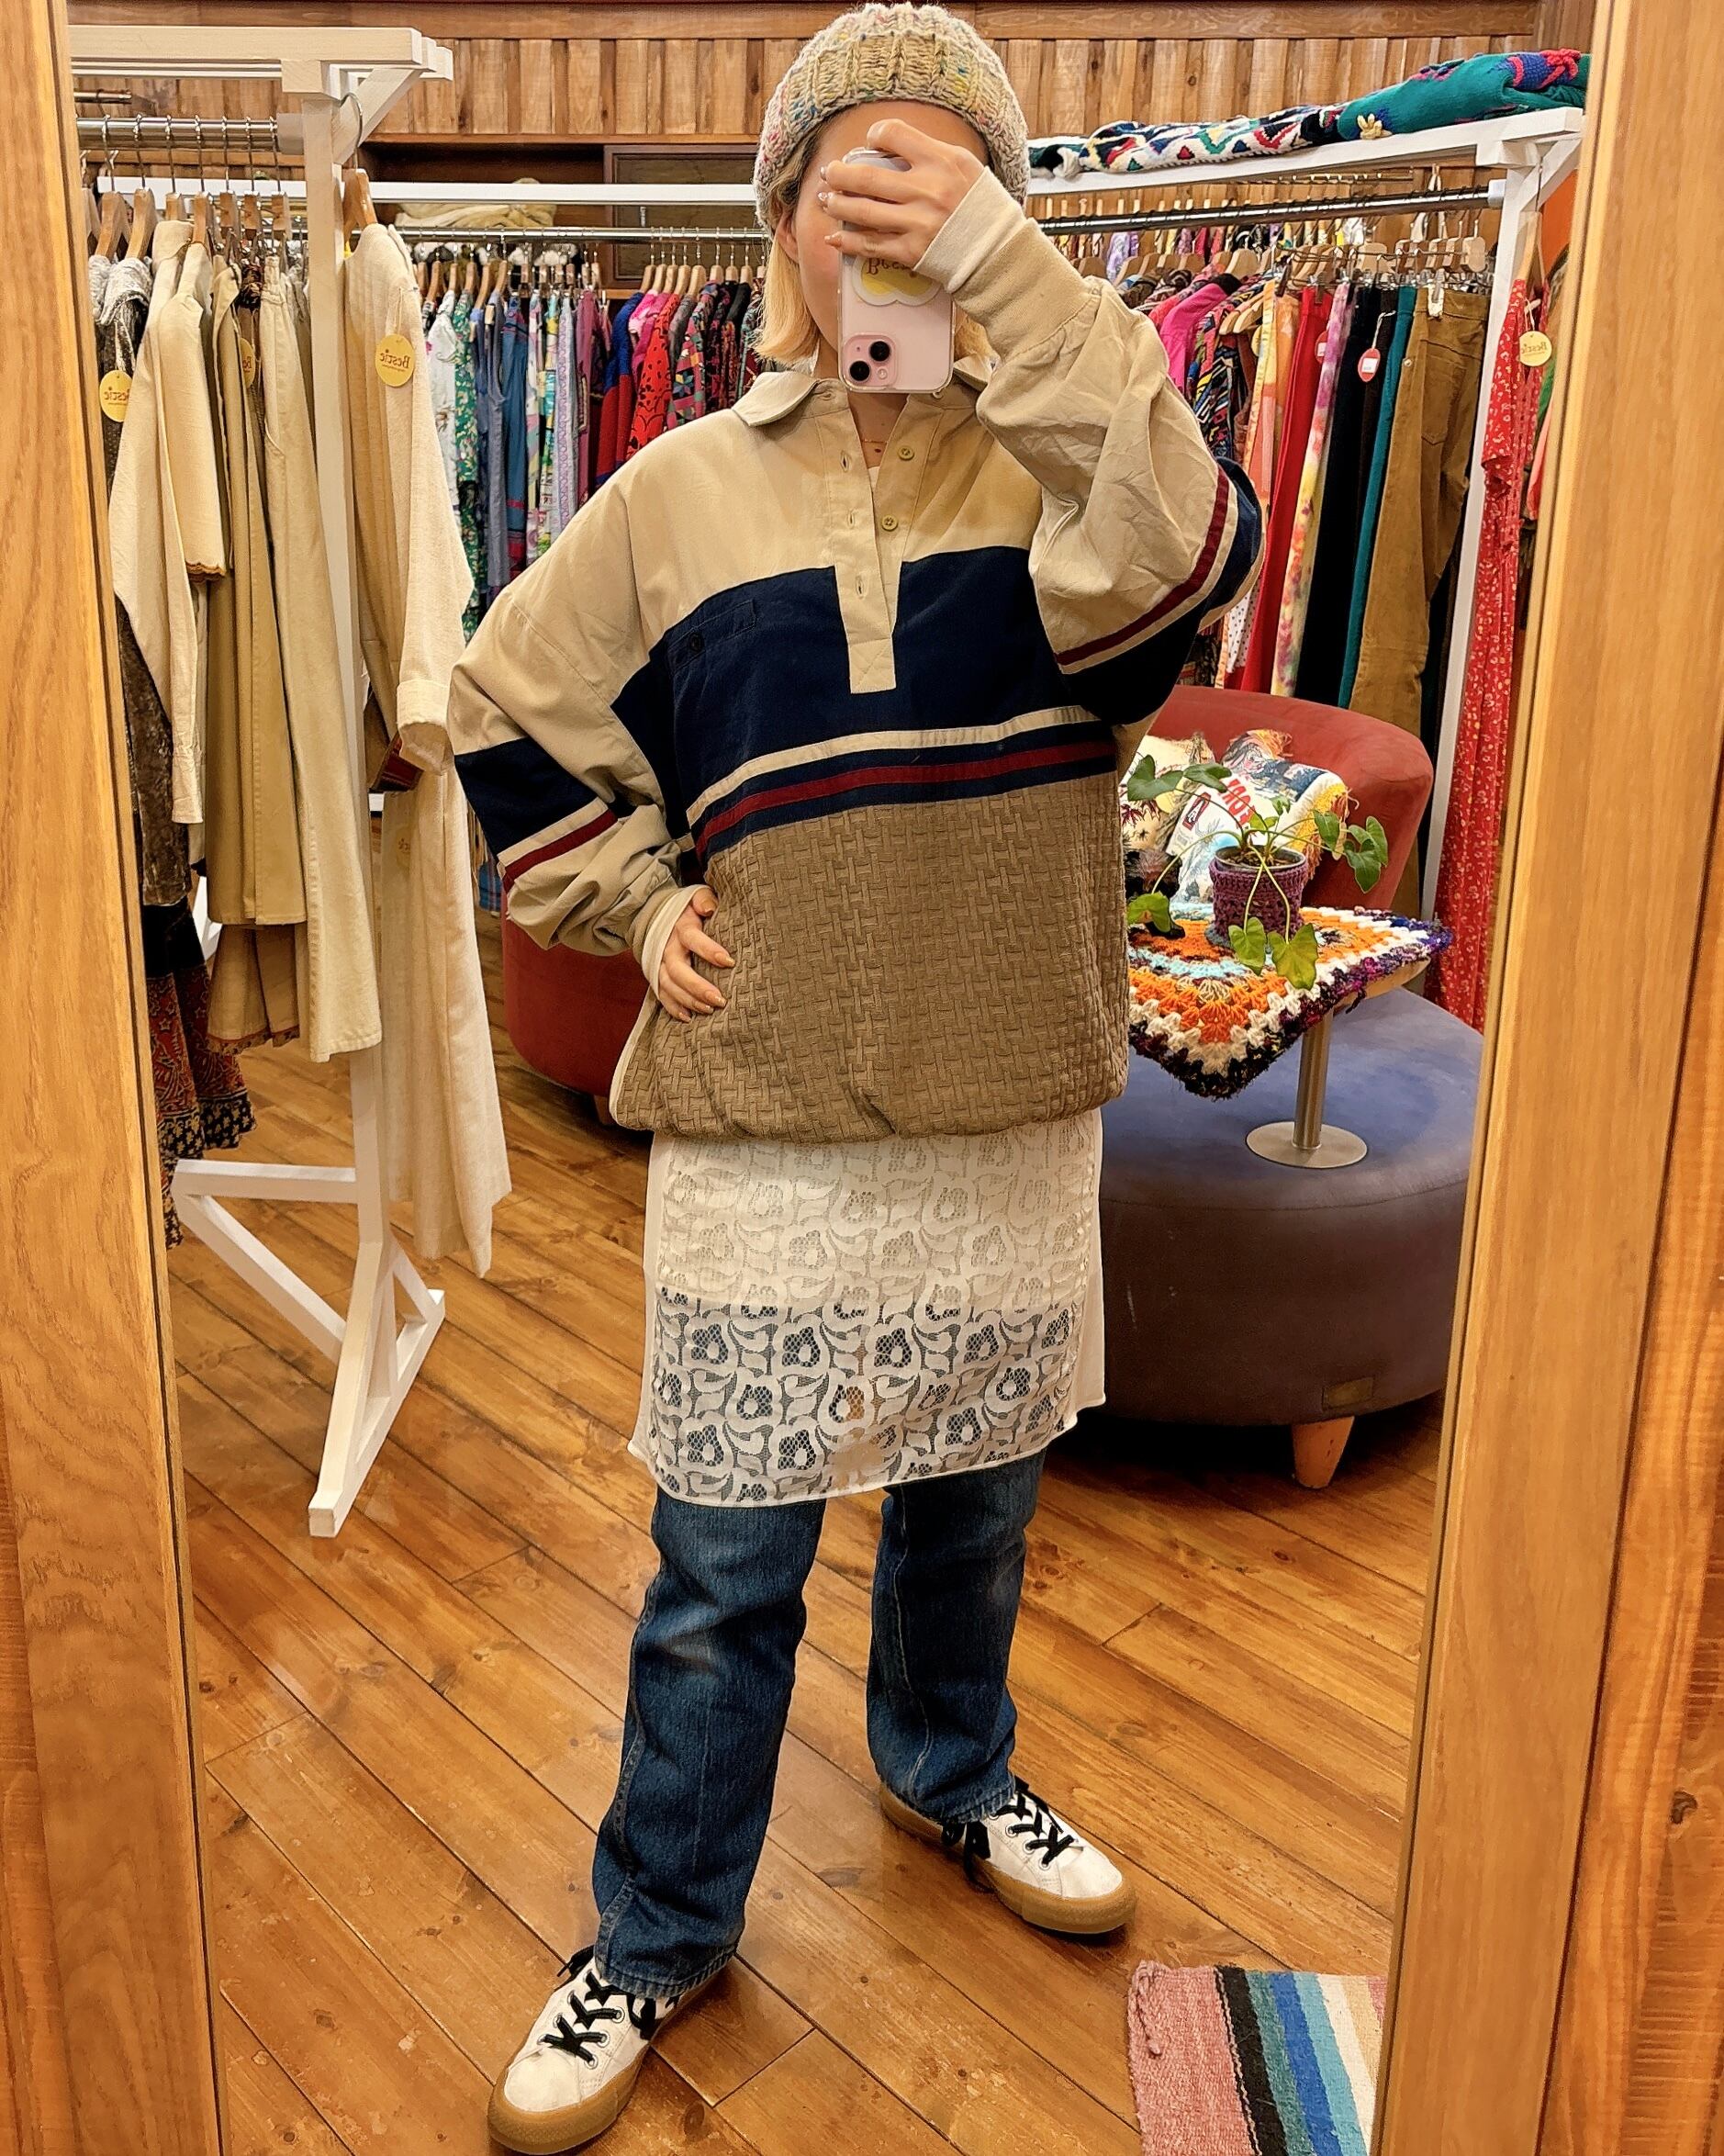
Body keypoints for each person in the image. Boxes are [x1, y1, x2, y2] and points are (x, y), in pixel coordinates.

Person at [449, 6, 1260, 2146]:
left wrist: (1009, 278)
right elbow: (501, 699)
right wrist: (632, 901)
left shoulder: (1072, 473)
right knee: (723, 1567)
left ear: (1001, 213)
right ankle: (655, 1926)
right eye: (849, 179)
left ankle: (950, 1767)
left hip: (1007, 1095)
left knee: (978, 1507)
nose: (888, 218)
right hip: (770, 1110)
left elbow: (1189, 555)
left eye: (943, 175)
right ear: (778, 221)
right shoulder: (676, 490)